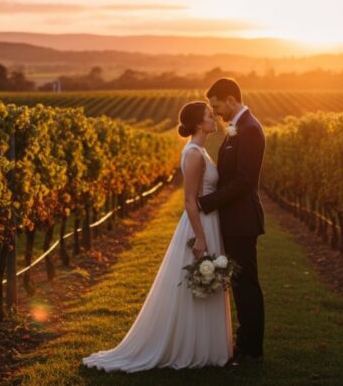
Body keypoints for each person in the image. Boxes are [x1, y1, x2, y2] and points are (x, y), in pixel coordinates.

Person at [81, 101, 232, 372]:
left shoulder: (199, 150)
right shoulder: (194, 153)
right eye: (210, 116)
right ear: (199, 123)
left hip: (209, 221)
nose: (214, 119)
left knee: (205, 283)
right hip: (200, 224)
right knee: (198, 283)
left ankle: (205, 346)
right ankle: (192, 346)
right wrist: (200, 237)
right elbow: (189, 200)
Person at [198, 77, 266, 365]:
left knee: (246, 284)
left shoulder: (250, 129)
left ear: (230, 99)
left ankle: (252, 349)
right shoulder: (239, 127)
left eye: (217, 106)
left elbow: (244, 181)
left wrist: (207, 202)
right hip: (234, 219)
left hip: (242, 220)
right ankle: (244, 341)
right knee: (239, 283)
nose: (215, 113)